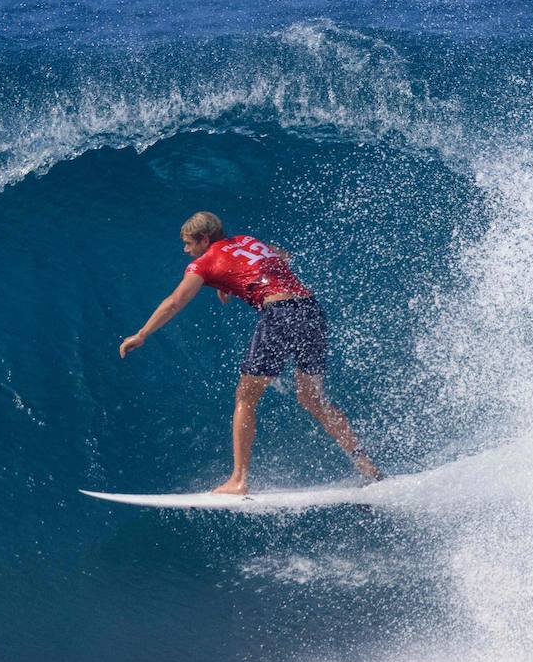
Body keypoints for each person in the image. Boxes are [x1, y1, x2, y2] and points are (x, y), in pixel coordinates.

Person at [119, 211, 383, 493]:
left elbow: (175, 302)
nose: (186, 250)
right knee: (312, 397)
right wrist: (231, 280)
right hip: (311, 310)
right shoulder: (248, 240)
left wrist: (142, 333)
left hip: (280, 314)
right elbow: (282, 256)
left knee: (246, 397)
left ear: (204, 239)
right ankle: (368, 467)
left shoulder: (204, 262)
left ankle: (238, 480)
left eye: (188, 244)